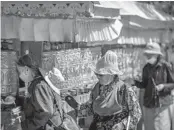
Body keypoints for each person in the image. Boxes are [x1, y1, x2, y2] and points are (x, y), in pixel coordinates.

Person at [67, 50, 142, 130]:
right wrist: (77, 107)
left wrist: (122, 125)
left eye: (101, 75)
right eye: (96, 74)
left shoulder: (124, 90)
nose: (97, 77)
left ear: (111, 74)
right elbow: (92, 108)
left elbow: (136, 113)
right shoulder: (97, 88)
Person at [16, 54, 65, 130]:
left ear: (26, 70)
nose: (19, 76)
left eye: (19, 72)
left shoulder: (39, 86)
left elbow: (46, 113)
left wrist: (23, 126)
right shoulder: (37, 82)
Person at [134, 42, 174, 130]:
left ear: (157, 55)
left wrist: (163, 86)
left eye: (150, 54)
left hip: (162, 105)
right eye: (147, 54)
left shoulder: (165, 66)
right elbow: (144, 85)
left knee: (162, 127)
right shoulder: (145, 68)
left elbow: (172, 83)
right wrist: (134, 82)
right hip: (148, 104)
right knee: (149, 127)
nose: (147, 56)